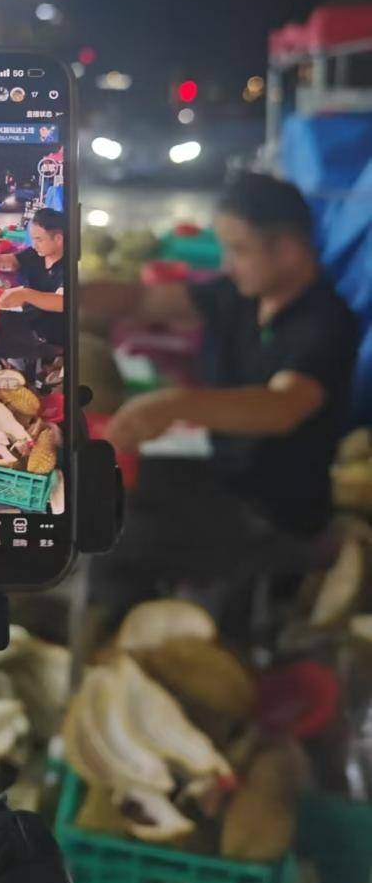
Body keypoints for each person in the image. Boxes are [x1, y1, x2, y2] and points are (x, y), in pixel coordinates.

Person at [83, 173, 359, 611]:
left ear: (287, 249)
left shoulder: (325, 322)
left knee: (117, 538)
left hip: (276, 516)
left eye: (239, 250)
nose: (227, 264)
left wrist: (174, 404)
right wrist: (57, 295)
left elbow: (281, 407)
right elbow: (143, 301)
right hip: (223, 478)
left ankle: (124, 634)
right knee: (109, 491)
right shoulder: (240, 295)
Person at [0, 207, 65, 349]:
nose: (34, 245)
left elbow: (62, 302)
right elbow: (4, 261)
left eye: (39, 240)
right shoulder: (35, 254)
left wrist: (25, 294)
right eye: (33, 239)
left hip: (51, 338)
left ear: (58, 239)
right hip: (29, 323)